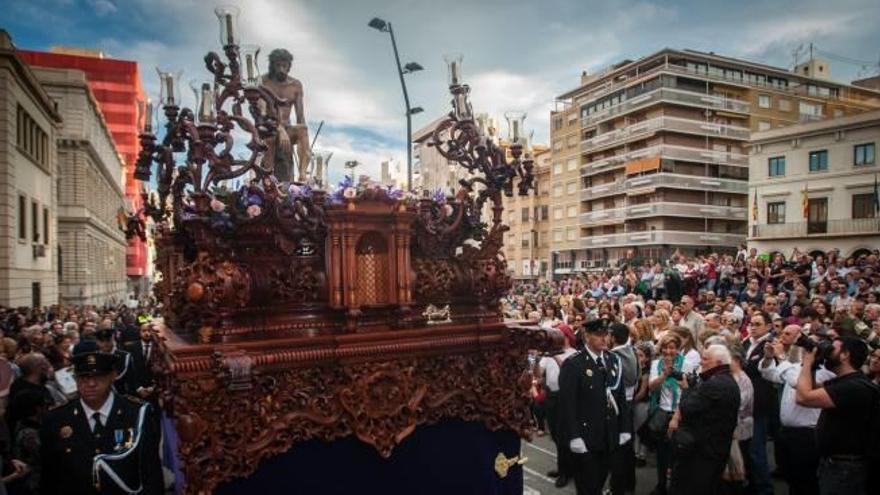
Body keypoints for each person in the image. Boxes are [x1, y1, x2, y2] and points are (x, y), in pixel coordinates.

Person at [39, 340, 163, 495]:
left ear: (113, 376)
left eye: (99, 377)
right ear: (75, 379)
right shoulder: (57, 418)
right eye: (83, 377)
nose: (91, 383)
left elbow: (151, 473)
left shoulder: (136, 413)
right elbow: (50, 477)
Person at [796, 336, 880, 495]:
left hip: (845, 468)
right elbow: (812, 388)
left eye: (831, 349)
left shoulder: (854, 386)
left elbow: (803, 397)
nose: (827, 353)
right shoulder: (845, 382)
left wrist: (807, 362)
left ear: (844, 355)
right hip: (836, 464)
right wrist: (813, 366)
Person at [559, 318, 630, 495]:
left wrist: (624, 428)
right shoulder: (574, 364)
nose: (604, 339)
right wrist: (574, 436)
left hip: (609, 435)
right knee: (587, 487)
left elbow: (621, 398)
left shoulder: (613, 360)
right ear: (586, 336)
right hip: (586, 436)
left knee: (600, 481)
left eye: (606, 334)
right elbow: (568, 404)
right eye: (599, 335)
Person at [760, 325, 834, 495]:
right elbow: (769, 374)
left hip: (807, 434)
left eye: (811, 347)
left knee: (805, 480)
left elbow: (796, 382)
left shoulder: (825, 372)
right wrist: (769, 357)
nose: (806, 349)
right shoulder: (797, 366)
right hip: (787, 431)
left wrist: (782, 357)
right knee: (791, 478)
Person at [668, 344, 741, 494]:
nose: (701, 362)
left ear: (719, 363)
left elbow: (687, 408)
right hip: (714, 448)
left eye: (705, 359)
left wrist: (686, 390)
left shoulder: (715, 384)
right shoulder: (726, 380)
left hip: (704, 452)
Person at [259, 48, 310, 183]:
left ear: (289, 67)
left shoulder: (295, 85)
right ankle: (268, 178)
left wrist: (304, 145)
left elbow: (300, 118)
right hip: (269, 127)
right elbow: (262, 113)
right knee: (269, 138)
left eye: (284, 66)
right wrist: (279, 128)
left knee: (303, 130)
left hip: (287, 129)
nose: (281, 69)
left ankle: (303, 175)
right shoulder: (263, 82)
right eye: (278, 65)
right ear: (272, 65)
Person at [538, 325, 578, 488]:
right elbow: (538, 374)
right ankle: (565, 468)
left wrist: (554, 357)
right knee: (555, 434)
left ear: (566, 337)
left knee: (564, 436)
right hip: (551, 396)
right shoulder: (549, 354)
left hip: (566, 398)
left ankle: (566, 471)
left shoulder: (575, 354)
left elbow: (570, 374)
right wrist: (538, 359)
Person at [647, 334, 684, 495]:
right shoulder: (656, 363)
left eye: (673, 347)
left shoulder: (686, 364)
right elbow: (652, 387)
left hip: (680, 413)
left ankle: (676, 486)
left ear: (678, 349)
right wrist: (664, 375)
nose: (669, 351)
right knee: (662, 453)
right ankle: (661, 485)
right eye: (666, 347)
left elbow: (688, 391)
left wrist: (675, 374)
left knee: (678, 454)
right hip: (662, 412)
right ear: (661, 349)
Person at [609, 322, 639, 495]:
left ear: (613, 337)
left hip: (617, 406)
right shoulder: (632, 351)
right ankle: (629, 485)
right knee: (627, 448)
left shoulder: (613, 356)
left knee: (617, 450)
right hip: (629, 403)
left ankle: (617, 488)